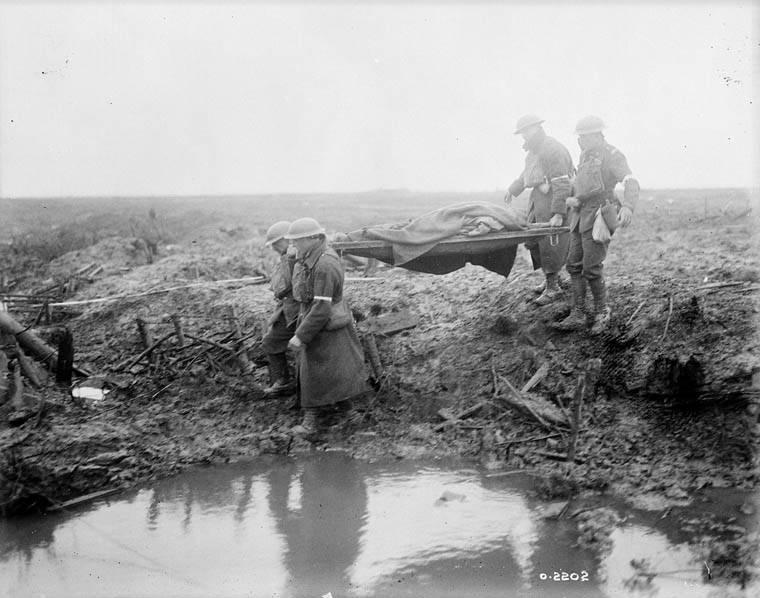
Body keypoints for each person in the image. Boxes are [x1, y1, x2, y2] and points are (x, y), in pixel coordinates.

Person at [554, 115, 639, 335]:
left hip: (599, 215)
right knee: (573, 264)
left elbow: (631, 181)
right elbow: (586, 187)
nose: (579, 141)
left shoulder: (612, 155)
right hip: (580, 216)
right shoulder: (584, 156)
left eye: (583, 137)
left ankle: (602, 311)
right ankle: (578, 313)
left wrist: (628, 206)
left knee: (591, 267)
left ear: (595, 135)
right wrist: (577, 199)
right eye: (579, 137)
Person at [285, 217, 368, 435]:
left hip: (326, 324)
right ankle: (351, 416)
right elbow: (299, 289)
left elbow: (322, 306)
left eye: (297, 241)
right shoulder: (311, 258)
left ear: (313, 238)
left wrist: (301, 336)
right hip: (319, 321)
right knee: (327, 373)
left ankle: (312, 422)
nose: (293, 246)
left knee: (317, 372)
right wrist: (292, 261)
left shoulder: (324, 264)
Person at [505, 114, 574, 305]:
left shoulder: (552, 149)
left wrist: (559, 212)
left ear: (536, 128)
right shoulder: (534, 152)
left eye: (525, 131)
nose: (524, 136)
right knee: (535, 242)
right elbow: (526, 174)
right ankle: (550, 280)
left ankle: (553, 288)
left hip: (552, 201)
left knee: (551, 243)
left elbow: (562, 182)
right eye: (522, 133)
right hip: (538, 201)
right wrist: (513, 190)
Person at [261, 220, 299, 396]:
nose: (274, 247)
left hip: (302, 311)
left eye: (276, 243)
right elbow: (278, 287)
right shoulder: (283, 259)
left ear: (287, 239)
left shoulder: (300, 256)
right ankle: (283, 381)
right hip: (287, 309)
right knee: (271, 341)